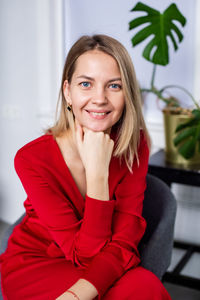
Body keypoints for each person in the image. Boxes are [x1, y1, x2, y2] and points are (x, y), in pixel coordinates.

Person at [0, 34, 171, 300]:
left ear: (127, 94)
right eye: (86, 84)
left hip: (106, 261)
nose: (99, 98)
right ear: (68, 92)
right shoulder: (31, 159)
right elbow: (83, 254)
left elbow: (123, 244)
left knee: (143, 287)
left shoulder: (135, 145)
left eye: (114, 86)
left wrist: (98, 172)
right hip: (38, 265)